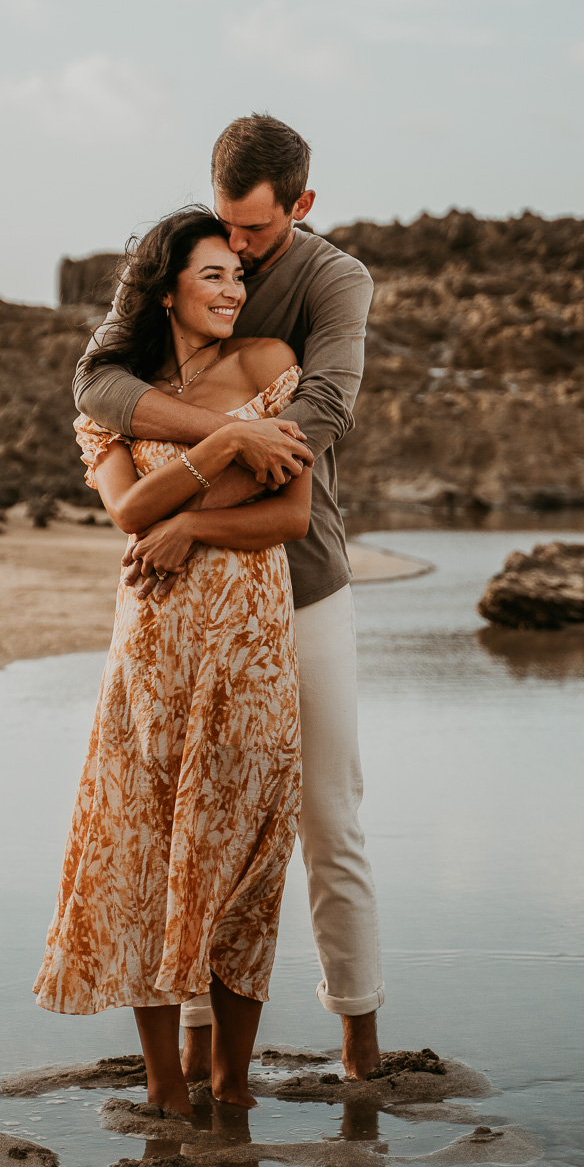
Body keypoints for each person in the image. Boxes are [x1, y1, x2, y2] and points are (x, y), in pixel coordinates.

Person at [73, 113, 384, 1081]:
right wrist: (226, 437)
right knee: (183, 824)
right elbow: (97, 385)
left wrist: (199, 503)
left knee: (327, 815)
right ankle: (201, 1061)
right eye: (225, 234)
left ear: (303, 203)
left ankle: (362, 1047)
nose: (240, 260)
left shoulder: (335, 282)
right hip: (181, 603)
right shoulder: (181, 259)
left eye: (255, 235)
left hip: (304, 587)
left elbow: (316, 422)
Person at [35, 207, 313, 1115]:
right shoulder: (115, 393)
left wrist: (189, 519)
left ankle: (232, 1086)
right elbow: (126, 514)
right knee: (146, 853)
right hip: (152, 652)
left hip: (252, 650)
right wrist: (227, 443)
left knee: (248, 860)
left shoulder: (273, 368)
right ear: (168, 291)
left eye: (239, 275)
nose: (235, 289)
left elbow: (288, 517)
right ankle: (165, 1091)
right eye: (214, 276)